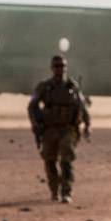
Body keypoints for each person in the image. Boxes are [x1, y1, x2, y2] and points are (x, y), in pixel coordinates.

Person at [28, 54, 90, 203]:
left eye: (62, 66)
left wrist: (87, 125)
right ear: (52, 68)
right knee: (50, 160)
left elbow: (82, 107)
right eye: (57, 66)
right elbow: (32, 106)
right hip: (49, 129)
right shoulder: (44, 87)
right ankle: (54, 190)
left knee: (66, 159)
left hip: (68, 129)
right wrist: (36, 124)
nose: (60, 69)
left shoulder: (72, 86)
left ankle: (66, 192)